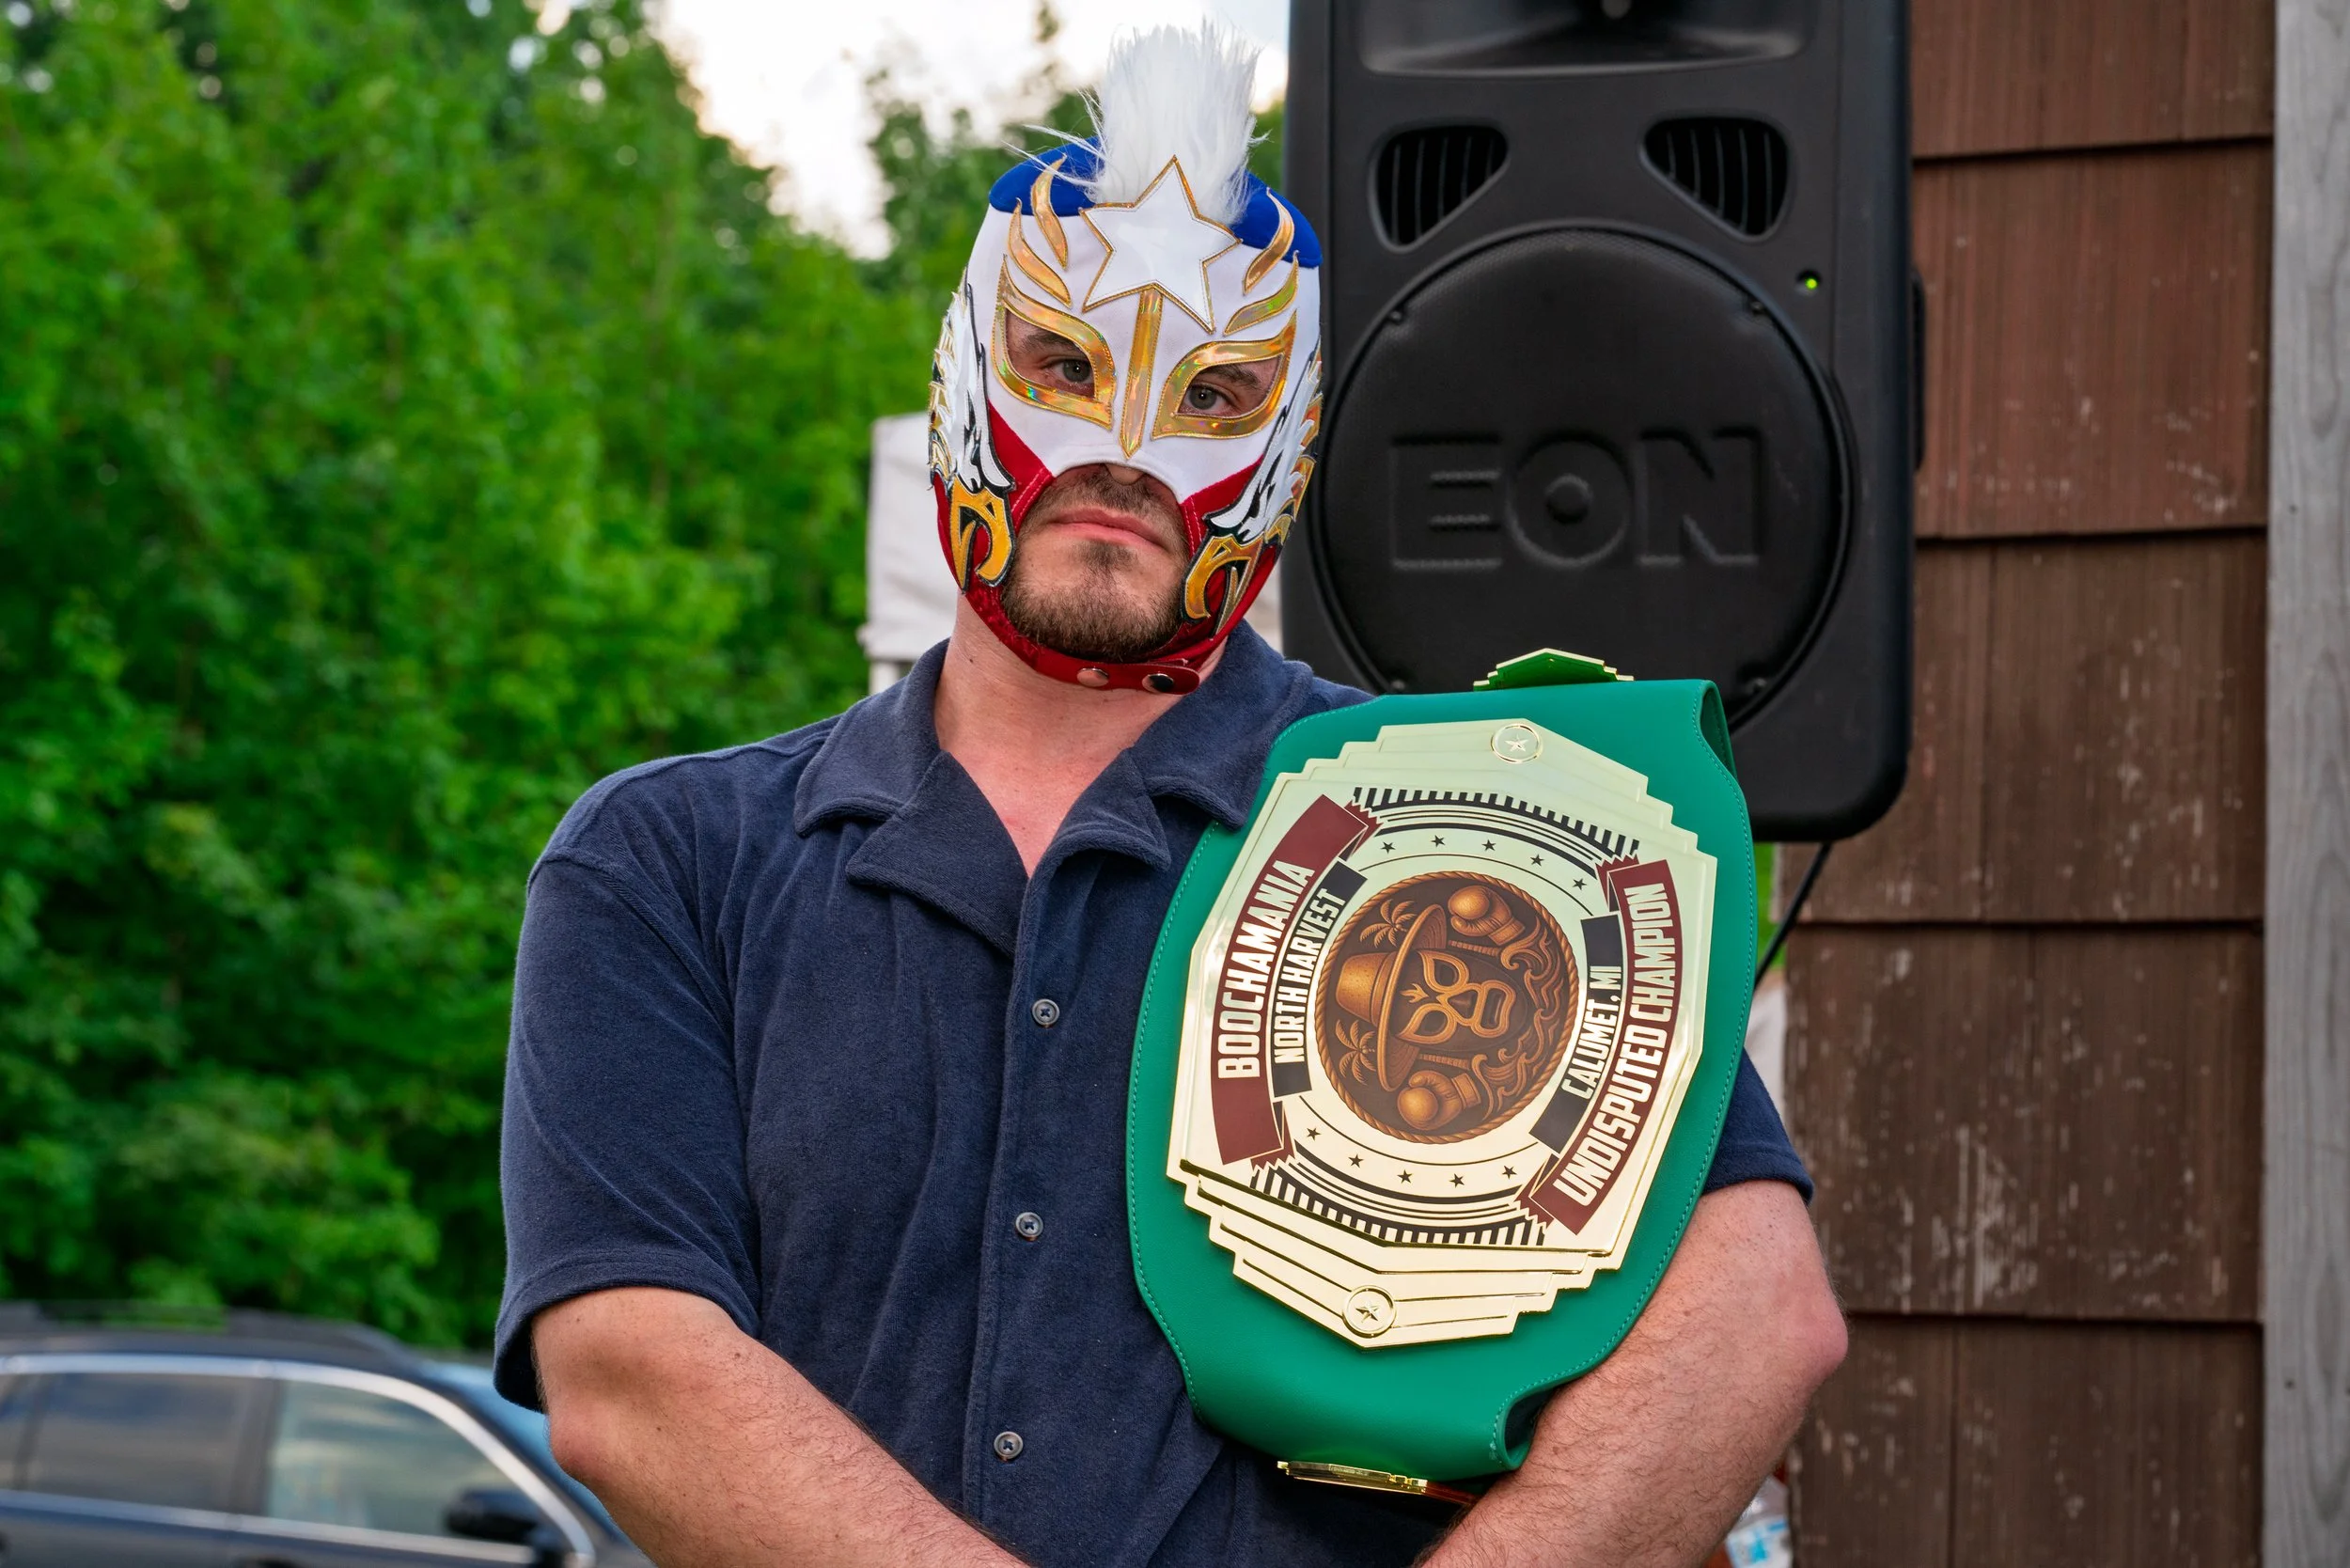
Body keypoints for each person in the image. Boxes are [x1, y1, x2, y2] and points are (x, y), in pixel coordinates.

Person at [494, 24, 1845, 1568]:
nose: (1123, 451)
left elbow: (1758, 1312)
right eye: (1064, 367)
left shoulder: (1485, 817)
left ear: (1291, 436)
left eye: (1214, 393)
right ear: (963, 369)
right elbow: (631, 1376)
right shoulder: (670, 864)